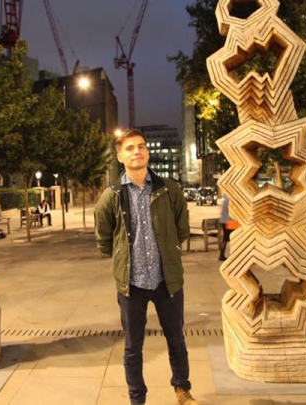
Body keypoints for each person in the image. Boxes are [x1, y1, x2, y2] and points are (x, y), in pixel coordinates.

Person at [95, 129, 198, 405]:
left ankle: (182, 389)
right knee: (132, 348)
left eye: (141, 146)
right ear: (120, 156)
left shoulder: (169, 189)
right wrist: (117, 254)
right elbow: (103, 234)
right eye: (129, 148)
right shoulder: (113, 195)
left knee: (176, 339)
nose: (137, 152)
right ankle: (137, 398)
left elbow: (182, 228)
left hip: (167, 280)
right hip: (133, 283)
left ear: (148, 153)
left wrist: (169, 250)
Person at [218, 196, 238, 261]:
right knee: (234, 238)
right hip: (230, 221)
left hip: (223, 221)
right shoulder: (231, 199)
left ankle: (221, 255)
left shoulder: (226, 198)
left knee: (225, 238)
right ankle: (231, 255)